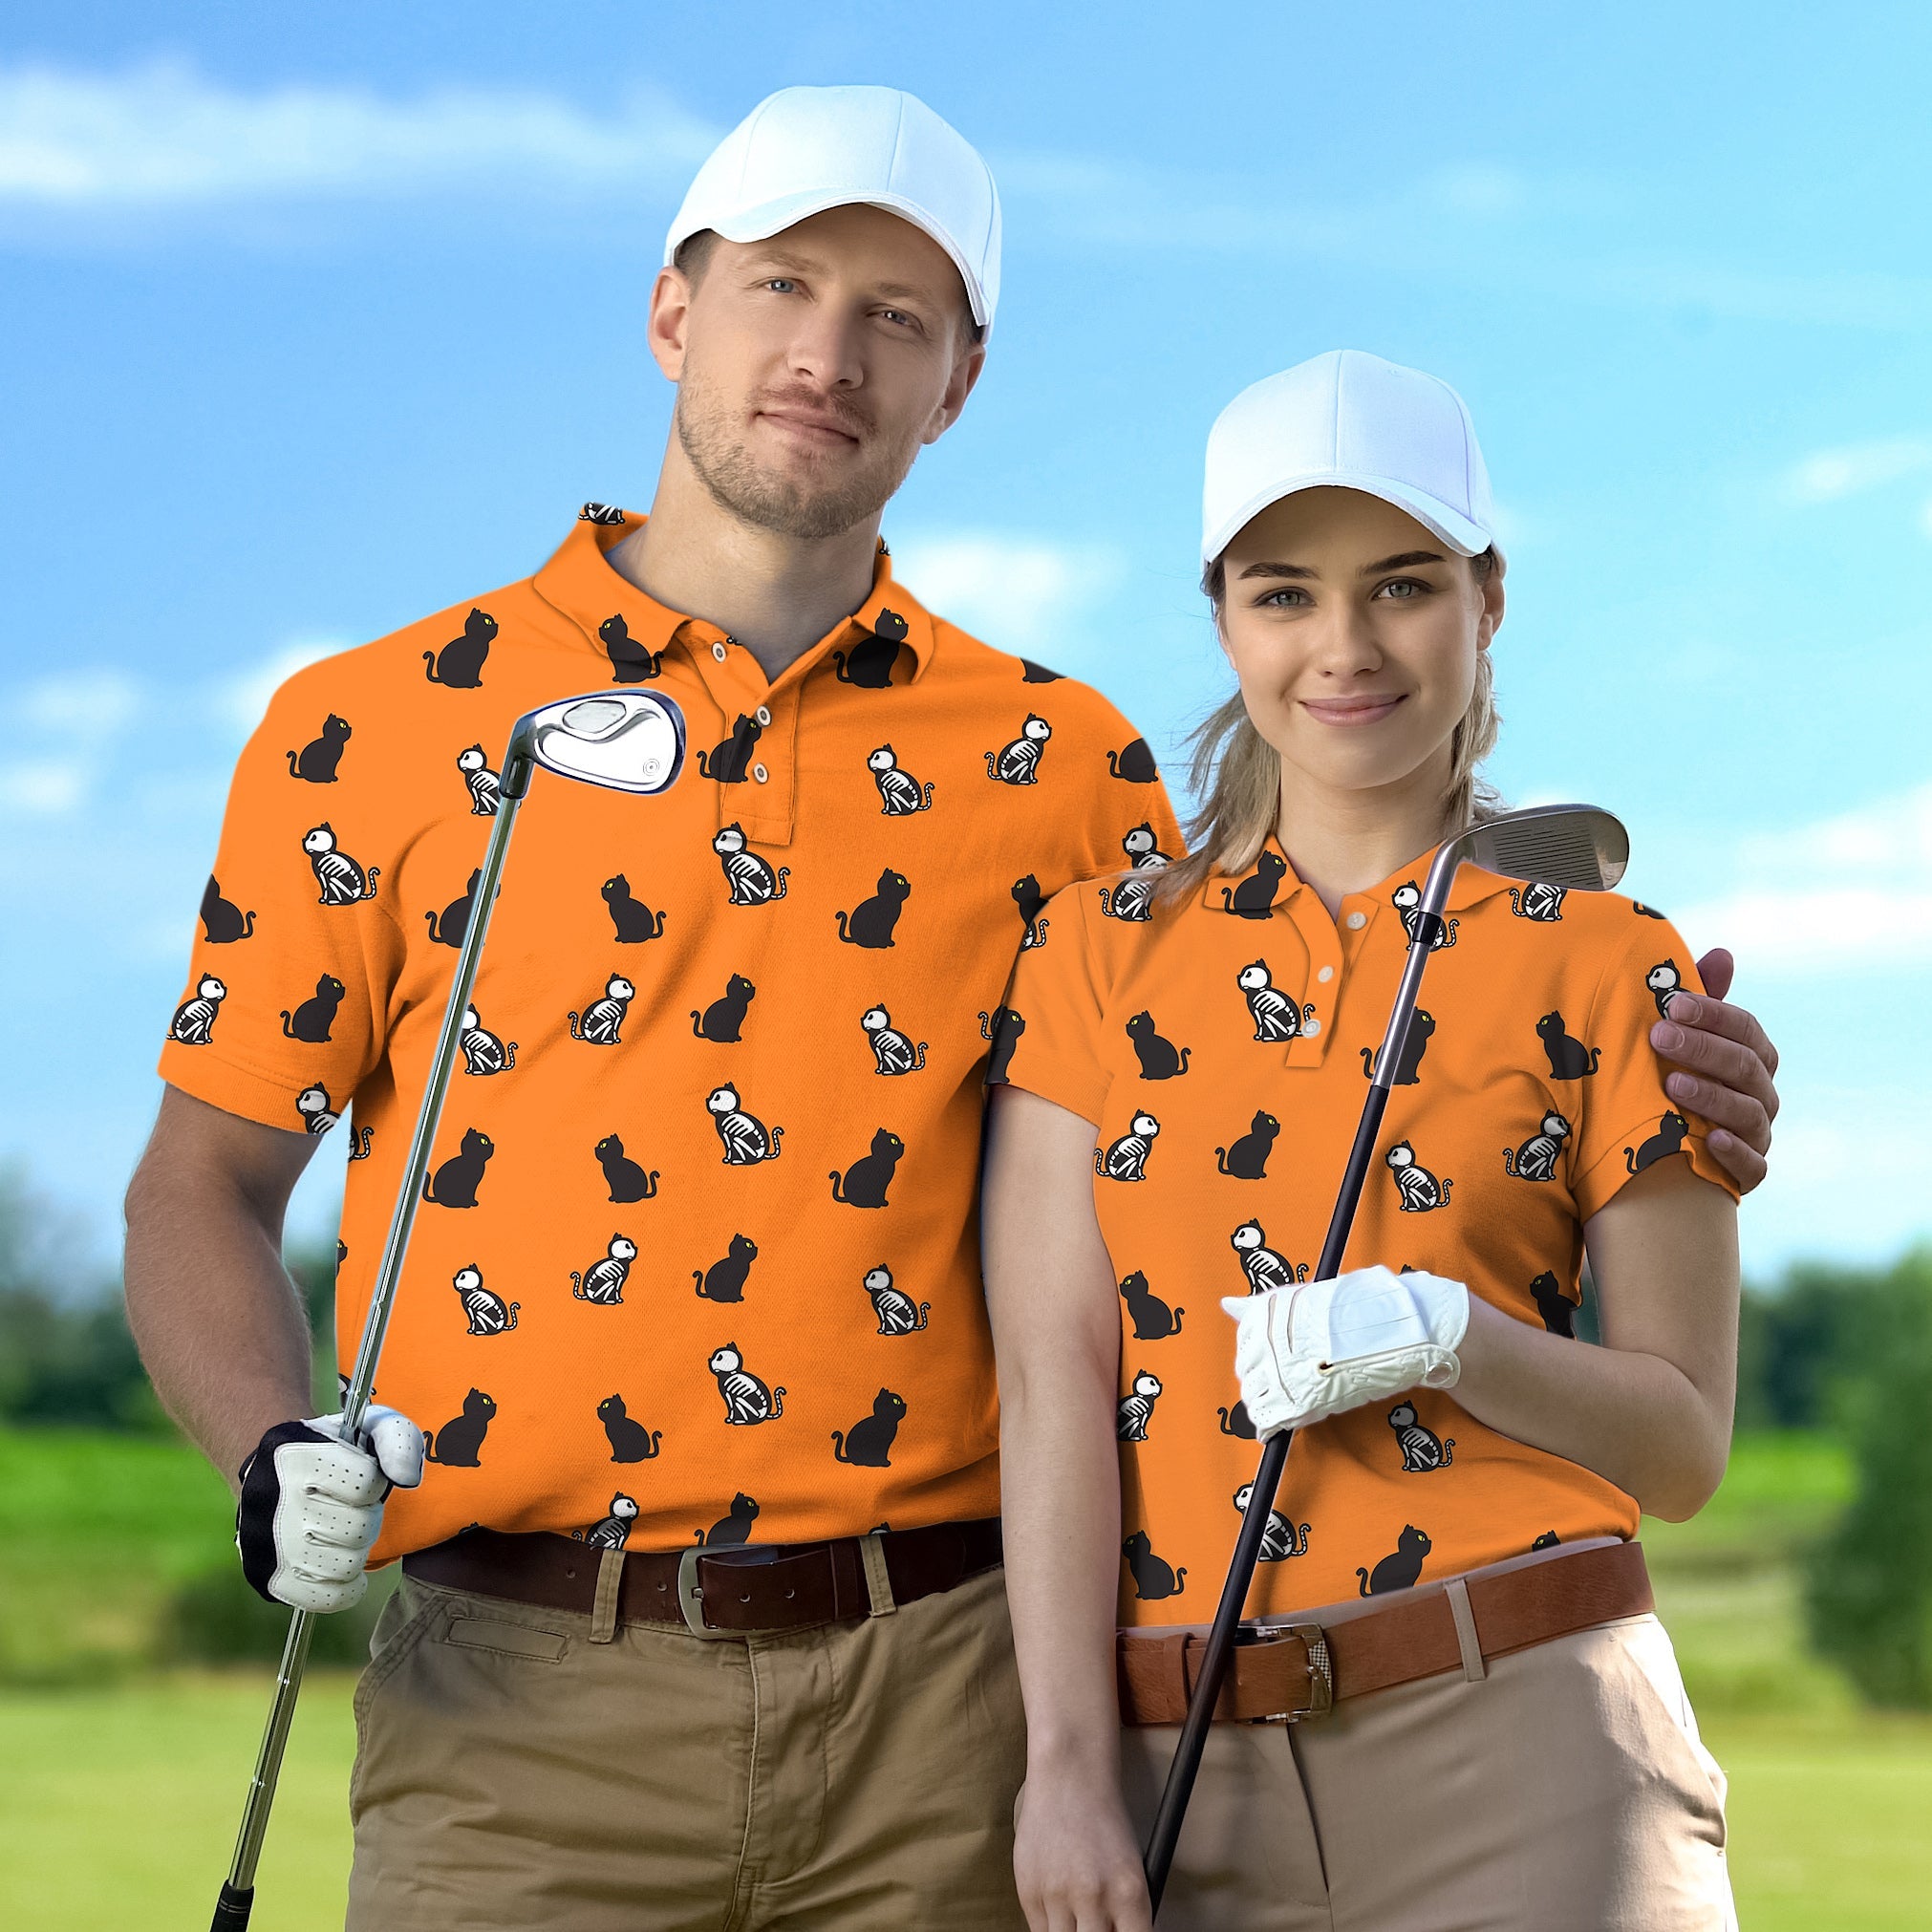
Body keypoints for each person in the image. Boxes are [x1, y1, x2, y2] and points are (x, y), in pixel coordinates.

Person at [119, 83, 1778, 1928]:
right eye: (780, 287)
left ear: (959, 379)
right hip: (514, 1707)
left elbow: (1286, 1013)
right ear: (673, 310)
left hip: (947, 1701)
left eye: (894, 316)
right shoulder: (383, 726)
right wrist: (271, 1451)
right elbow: (199, 1184)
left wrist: (1649, 1043)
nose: (827, 355)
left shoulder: (1060, 764)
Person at [984, 351, 1751, 1931]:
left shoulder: (1612, 959)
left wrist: (1445, 1336)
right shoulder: (1091, 956)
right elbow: (1049, 1378)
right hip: (1181, 1769)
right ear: (1220, 619)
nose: (1342, 647)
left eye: (1400, 585)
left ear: (1484, 600)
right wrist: (1062, 1762)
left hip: (1532, 1732)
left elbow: (1678, 1448)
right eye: (1283, 594)